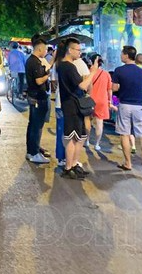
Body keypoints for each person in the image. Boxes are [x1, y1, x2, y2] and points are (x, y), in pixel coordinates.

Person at [112, 46, 142, 177]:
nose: (121, 56)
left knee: (124, 134)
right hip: (139, 106)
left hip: (125, 104)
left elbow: (114, 88)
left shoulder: (119, 70)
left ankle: (128, 163)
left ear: (126, 55)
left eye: (122, 53)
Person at [56, 37, 93, 179]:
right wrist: (93, 72)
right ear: (70, 50)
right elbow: (82, 86)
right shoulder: (68, 66)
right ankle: (68, 167)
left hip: (75, 105)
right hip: (71, 105)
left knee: (81, 136)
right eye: (78, 50)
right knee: (72, 137)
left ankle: (74, 164)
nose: (80, 53)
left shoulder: (65, 65)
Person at [25, 36, 51, 164]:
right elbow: (39, 80)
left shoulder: (32, 60)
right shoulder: (34, 62)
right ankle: (34, 153)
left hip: (34, 96)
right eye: (45, 49)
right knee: (36, 126)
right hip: (37, 97)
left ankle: (31, 151)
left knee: (33, 125)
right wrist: (48, 75)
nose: (46, 51)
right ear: (40, 49)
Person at [88, 53, 114, 151]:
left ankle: (86, 140)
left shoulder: (89, 72)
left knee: (88, 121)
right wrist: (109, 101)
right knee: (99, 123)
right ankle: (97, 144)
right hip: (102, 101)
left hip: (90, 100)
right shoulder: (106, 74)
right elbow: (109, 89)